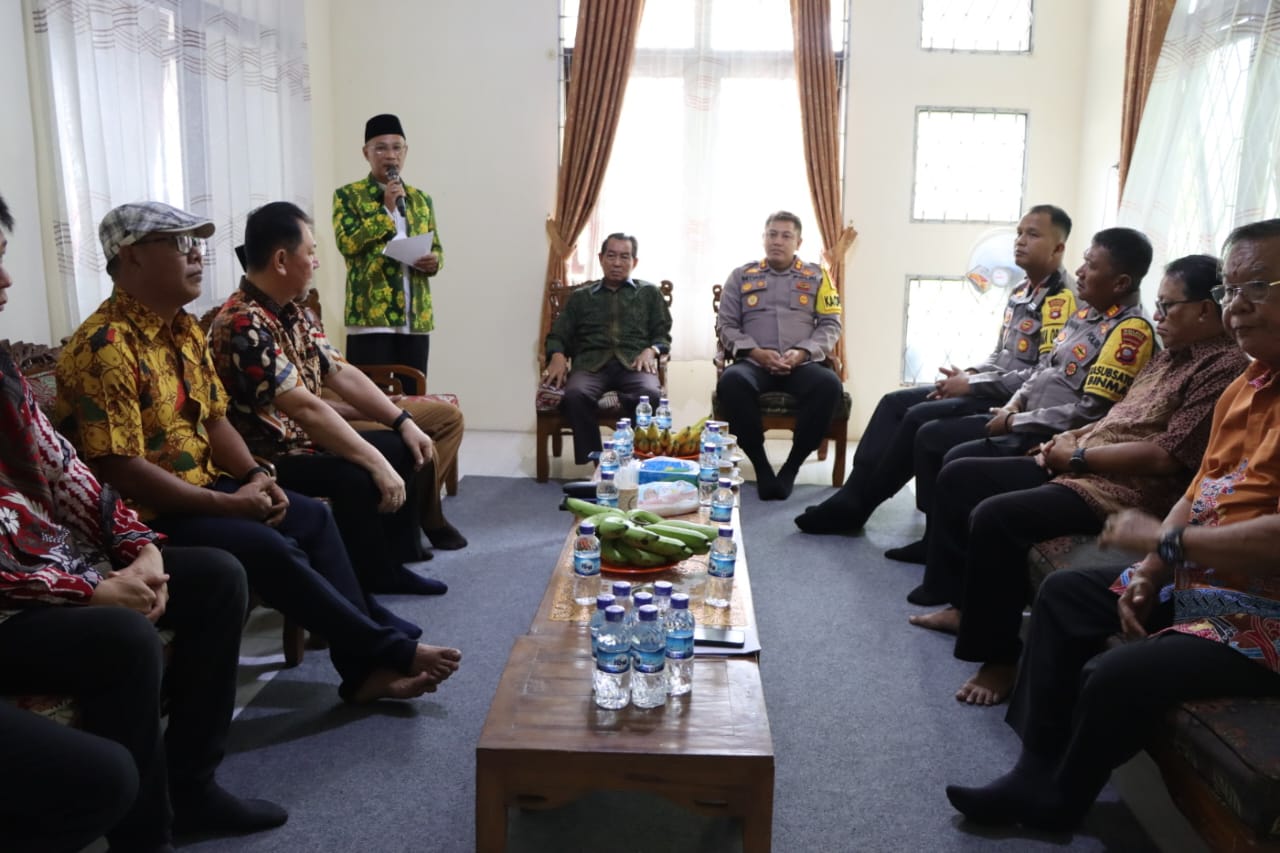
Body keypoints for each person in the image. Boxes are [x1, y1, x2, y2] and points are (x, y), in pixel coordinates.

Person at [944, 219, 1280, 835]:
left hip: (1264, 614)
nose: (1238, 306)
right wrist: (1151, 570)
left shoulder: (1223, 370)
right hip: (1202, 577)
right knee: (1067, 595)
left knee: (1114, 674)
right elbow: (1199, 490)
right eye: (1231, 290)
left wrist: (1163, 543)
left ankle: (1058, 804)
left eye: (1257, 286)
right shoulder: (1247, 384)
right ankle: (1031, 770)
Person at [54, 201, 461, 704]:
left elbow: (215, 418)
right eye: (181, 243)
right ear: (132, 256)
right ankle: (386, 650)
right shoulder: (105, 344)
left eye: (198, 242)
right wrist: (229, 502)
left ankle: (363, 668)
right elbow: (122, 470)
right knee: (272, 543)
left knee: (313, 517)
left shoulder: (182, 329)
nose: (198, 255)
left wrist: (253, 474)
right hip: (149, 513)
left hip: (211, 482)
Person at [0, 195, 286, 851]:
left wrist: (140, 549)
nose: (7, 279)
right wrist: (89, 590)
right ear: (131, 258)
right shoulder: (103, 342)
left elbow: (69, 471)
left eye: (4, 258)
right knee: (124, 635)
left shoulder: (4, 373)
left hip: (56, 574)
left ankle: (194, 789)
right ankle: (145, 835)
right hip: (15, 604)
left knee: (217, 576)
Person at [910, 254, 1249, 705]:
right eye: (1158, 305)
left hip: (1124, 488)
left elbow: (1165, 456)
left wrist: (1078, 457)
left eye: (1168, 306)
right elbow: (1116, 415)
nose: (1158, 316)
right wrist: (1069, 441)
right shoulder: (1168, 357)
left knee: (997, 516)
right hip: (1085, 460)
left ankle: (999, 659)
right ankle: (964, 607)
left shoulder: (1222, 368)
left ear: (1205, 310)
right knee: (961, 474)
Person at [210, 203, 464, 597]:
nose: (316, 262)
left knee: (402, 445)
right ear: (281, 260)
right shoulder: (242, 321)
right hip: (267, 456)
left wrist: (402, 422)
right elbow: (305, 408)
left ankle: (390, 565)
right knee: (357, 472)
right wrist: (374, 461)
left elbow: (341, 372)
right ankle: (361, 579)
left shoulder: (292, 312)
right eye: (311, 252)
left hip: (301, 440)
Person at [796, 204, 1076, 534]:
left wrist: (972, 385)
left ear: (1058, 248)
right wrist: (969, 374)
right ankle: (853, 491)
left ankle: (860, 505)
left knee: (918, 417)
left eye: (1033, 234)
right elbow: (1000, 354)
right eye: (1019, 233)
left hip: (1012, 404)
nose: (1020, 241)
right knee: (893, 403)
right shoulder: (1020, 292)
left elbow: (1041, 376)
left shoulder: (1061, 301)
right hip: (990, 387)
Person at [887, 227, 1158, 565]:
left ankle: (946, 564)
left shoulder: (1129, 332)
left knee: (953, 456)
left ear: (1120, 283)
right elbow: (1043, 367)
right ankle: (937, 548)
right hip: (1022, 418)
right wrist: (1013, 404)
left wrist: (1015, 420)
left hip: (1050, 439)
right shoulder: (1086, 314)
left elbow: (1090, 412)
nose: (1080, 271)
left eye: (1091, 265)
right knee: (932, 434)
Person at [715, 211, 844, 499]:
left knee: (829, 384)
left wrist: (802, 352)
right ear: (763, 238)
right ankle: (761, 467)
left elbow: (831, 325)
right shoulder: (741, 276)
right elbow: (726, 325)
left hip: (801, 364)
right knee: (732, 382)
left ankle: (790, 468)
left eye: (786, 236)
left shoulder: (819, 276)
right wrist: (755, 352)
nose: (778, 241)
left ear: (798, 242)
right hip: (754, 362)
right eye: (772, 234)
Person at [542, 233, 672, 464]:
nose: (617, 263)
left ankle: (633, 459)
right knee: (575, 394)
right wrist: (558, 355)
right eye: (611, 256)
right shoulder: (581, 297)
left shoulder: (649, 294)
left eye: (624, 257)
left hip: (634, 364)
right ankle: (598, 461)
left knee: (650, 395)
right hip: (591, 365)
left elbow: (662, 334)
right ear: (601, 258)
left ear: (634, 262)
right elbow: (558, 334)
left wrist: (651, 350)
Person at [333, 113, 442, 381]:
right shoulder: (348, 196)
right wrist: (385, 211)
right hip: (370, 318)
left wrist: (434, 261)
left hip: (415, 319)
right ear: (366, 153)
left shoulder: (421, 199)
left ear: (405, 152)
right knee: (370, 399)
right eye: (381, 148)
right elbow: (347, 244)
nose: (390, 156)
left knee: (414, 396)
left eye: (397, 148)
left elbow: (437, 246)